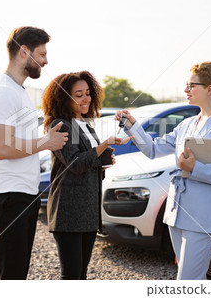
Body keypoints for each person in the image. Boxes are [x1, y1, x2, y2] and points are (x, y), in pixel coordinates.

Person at [115, 62, 211, 280]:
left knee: (188, 281)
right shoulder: (187, 124)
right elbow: (153, 150)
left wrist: (195, 167)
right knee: (190, 279)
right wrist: (133, 126)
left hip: (201, 214)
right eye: (186, 85)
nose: (186, 90)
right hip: (176, 212)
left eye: (192, 85)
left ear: (210, 88)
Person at [0, 26, 68, 280]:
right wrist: (45, 142)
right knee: (11, 276)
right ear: (24, 52)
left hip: (20, 195)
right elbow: (2, 147)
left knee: (17, 273)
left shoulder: (17, 91)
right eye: (41, 54)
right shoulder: (3, 91)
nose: (46, 60)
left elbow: (16, 141)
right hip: (7, 197)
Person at [42, 71, 132, 280]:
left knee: (81, 274)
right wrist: (105, 144)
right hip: (69, 211)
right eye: (79, 94)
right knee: (72, 275)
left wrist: (100, 167)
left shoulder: (86, 124)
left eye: (88, 93)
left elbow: (87, 165)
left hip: (89, 211)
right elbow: (76, 163)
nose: (86, 99)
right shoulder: (61, 125)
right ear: (65, 97)